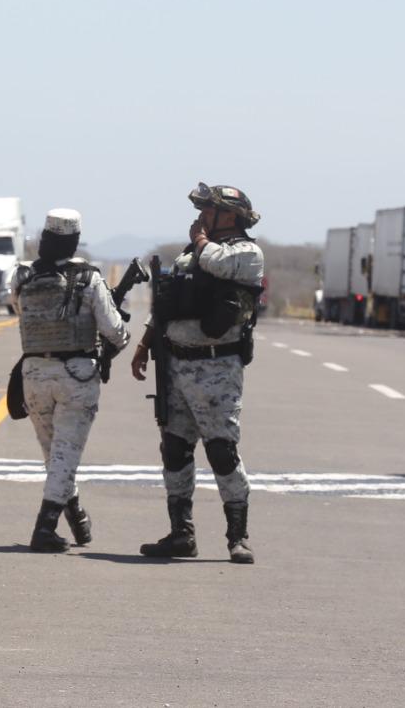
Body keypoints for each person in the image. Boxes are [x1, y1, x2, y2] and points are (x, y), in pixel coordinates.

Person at [131, 183, 264, 563]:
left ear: (230, 217)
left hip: (217, 367)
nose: (202, 216)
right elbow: (166, 305)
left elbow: (220, 265)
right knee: (174, 450)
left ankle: (237, 537)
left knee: (222, 451)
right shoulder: (192, 255)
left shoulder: (247, 253)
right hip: (176, 365)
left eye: (211, 211)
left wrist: (202, 242)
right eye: (203, 211)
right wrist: (145, 345)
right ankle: (180, 534)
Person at [9, 208, 130, 553]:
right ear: (75, 241)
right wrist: (118, 337)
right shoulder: (89, 278)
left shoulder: (21, 276)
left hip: (33, 374)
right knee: (65, 454)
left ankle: (76, 518)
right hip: (75, 375)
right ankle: (44, 529)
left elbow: (21, 312)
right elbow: (114, 332)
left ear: (43, 238)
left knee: (55, 456)